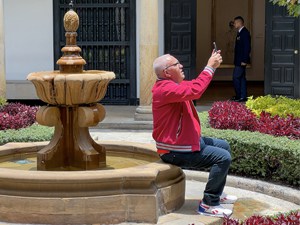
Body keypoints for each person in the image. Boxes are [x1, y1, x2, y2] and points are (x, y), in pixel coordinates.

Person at [151, 52, 237, 217]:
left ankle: (217, 193)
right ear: (166, 73)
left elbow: (196, 85)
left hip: (186, 142)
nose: (181, 66)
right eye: (176, 64)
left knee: (224, 146)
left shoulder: (174, 85)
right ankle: (208, 203)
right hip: (174, 151)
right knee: (223, 157)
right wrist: (209, 67)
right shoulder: (165, 89)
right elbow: (196, 90)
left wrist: (210, 67)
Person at [231, 16, 251, 102]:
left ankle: (239, 95)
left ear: (239, 23)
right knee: (242, 78)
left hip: (241, 61)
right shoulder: (240, 32)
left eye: (235, 23)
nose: (234, 24)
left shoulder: (244, 33)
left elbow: (247, 47)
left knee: (235, 77)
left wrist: (244, 60)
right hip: (239, 60)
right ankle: (243, 96)